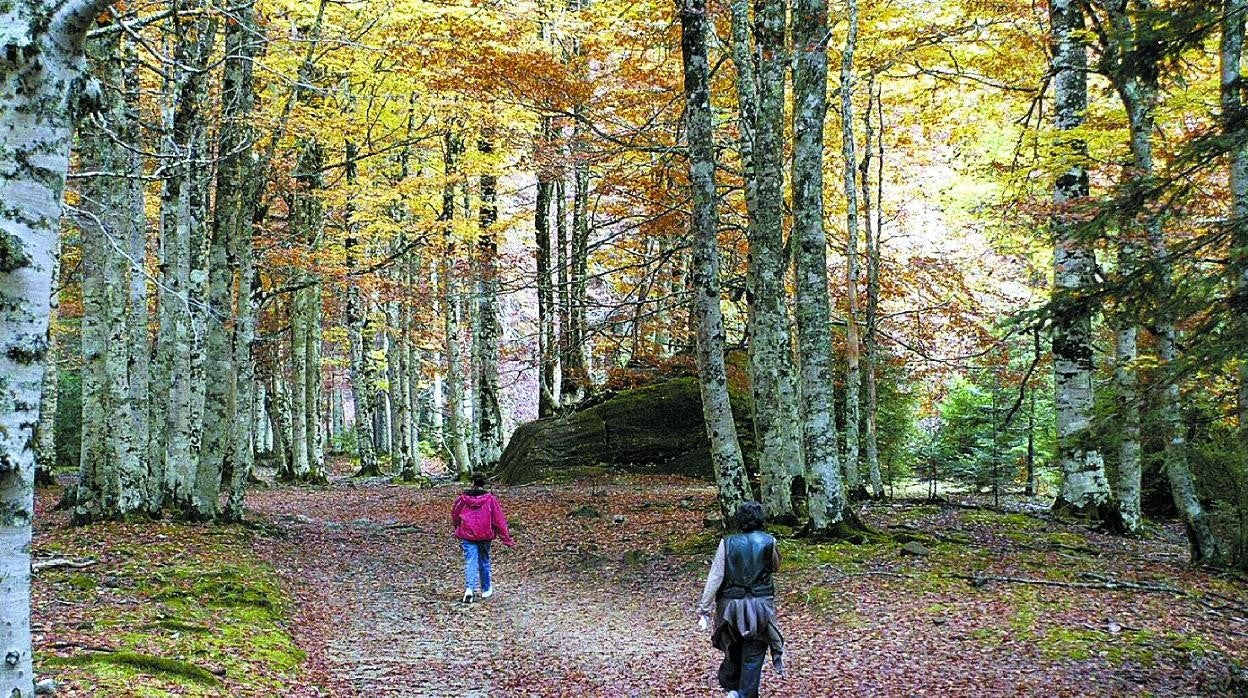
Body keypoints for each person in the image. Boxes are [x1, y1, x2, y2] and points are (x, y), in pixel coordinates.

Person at [697, 501, 785, 698]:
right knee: (753, 655)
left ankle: (734, 690)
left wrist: (703, 607)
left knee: (733, 649)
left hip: (730, 609)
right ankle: (742, 693)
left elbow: (716, 576)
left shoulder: (727, 543)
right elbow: (776, 567)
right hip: (761, 608)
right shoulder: (769, 541)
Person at [451, 475, 515, 603]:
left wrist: (457, 526)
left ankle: (469, 589)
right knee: (484, 561)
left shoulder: (462, 499)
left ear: (472, 483)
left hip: (467, 534)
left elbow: (455, 515)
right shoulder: (490, 499)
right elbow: (499, 520)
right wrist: (506, 539)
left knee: (470, 561)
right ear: (484, 484)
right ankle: (486, 589)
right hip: (485, 535)